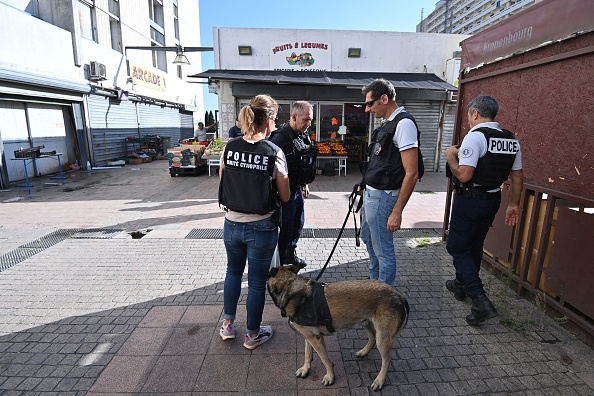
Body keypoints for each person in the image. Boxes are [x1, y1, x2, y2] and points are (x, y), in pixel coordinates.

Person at [217, 94, 290, 349]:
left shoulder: (230, 146)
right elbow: (285, 195)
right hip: (261, 225)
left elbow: (223, 179)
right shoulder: (274, 152)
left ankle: (227, 325)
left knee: (233, 273)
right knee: (257, 282)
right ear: (268, 120)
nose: (276, 124)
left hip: (231, 223)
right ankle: (252, 334)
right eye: (276, 119)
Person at [445, 95, 523, 326]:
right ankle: (461, 285)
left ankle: (480, 300)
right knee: (474, 245)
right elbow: (517, 176)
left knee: (457, 247)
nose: (469, 121)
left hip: (470, 200)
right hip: (493, 199)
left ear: (475, 114)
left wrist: (451, 157)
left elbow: (464, 174)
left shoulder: (475, 137)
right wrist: (513, 204)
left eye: (469, 116)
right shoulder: (510, 140)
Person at [357, 78, 421, 286]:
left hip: (384, 198)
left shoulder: (404, 124)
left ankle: (383, 298)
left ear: (384, 99)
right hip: (371, 195)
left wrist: (397, 211)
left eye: (370, 103)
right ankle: (374, 285)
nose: (367, 109)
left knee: (383, 250)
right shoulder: (388, 124)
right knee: (370, 241)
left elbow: (412, 173)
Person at [269, 101, 317, 268]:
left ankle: (290, 254)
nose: (308, 124)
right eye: (306, 120)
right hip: (284, 194)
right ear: (294, 116)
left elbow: (301, 163)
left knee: (298, 223)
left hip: (296, 189)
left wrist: (305, 184)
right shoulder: (279, 139)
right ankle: (279, 268)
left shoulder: (302, 135)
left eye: (310, 120)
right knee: (286, 229)